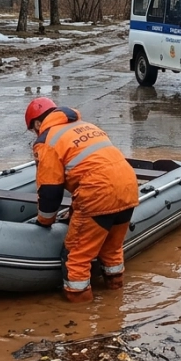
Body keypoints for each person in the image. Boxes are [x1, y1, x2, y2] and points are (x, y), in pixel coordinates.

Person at [25, 98, 139, 303]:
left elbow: (50, 189)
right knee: (112, 249)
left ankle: (79, 310)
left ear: (37, 123)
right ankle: (115, 299)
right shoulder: (86, 126)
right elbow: (90, 167)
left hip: (99, 193)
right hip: (128, 187)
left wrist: (45, 221)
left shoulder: (47, 140)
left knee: (76, 257)